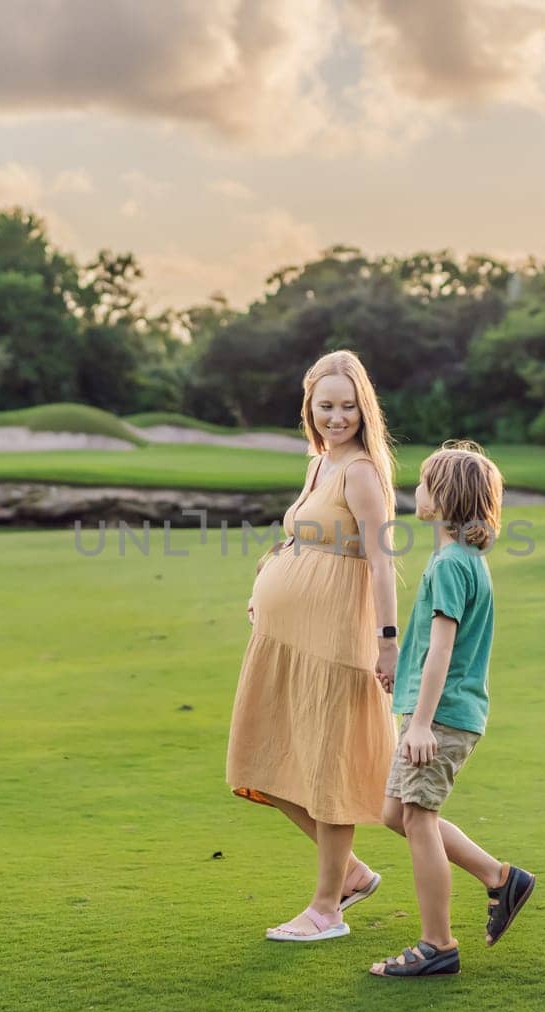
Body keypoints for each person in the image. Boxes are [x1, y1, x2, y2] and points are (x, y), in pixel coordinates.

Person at [226, 349, 401, 942]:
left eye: (347, 407)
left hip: (333, 642)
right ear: (309, 407)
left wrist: (388, 642)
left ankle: (327, 908)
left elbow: (381, 563)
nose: (336, 417)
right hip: (285, 638)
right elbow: (301, 539)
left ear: (363, 409)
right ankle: (350, 874)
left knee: (327, 771)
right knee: (262, 761)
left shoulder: (361, 473)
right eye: (325, 406)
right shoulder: (318, 463)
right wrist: (265, 582)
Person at [369, 441, 535, 978]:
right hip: (438, 711)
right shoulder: (463, 560)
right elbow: (431, 647)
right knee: (397, 813)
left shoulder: (449, 564)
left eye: (422, 483)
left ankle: (437, 944)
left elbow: (443, 649)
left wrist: (419, 724)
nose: (414, 492)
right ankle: (499, 877)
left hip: (439, 718)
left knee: (418, 818)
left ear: (442, 499)